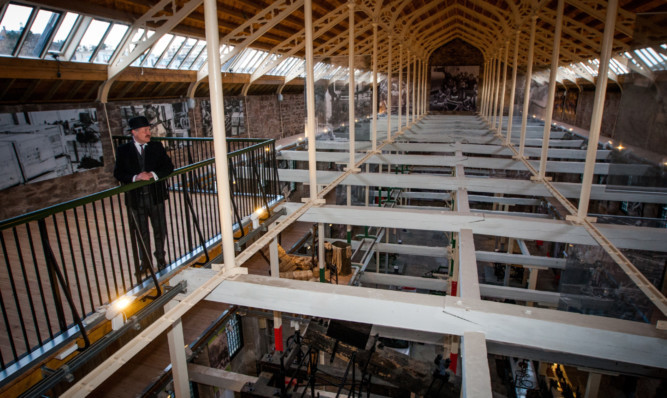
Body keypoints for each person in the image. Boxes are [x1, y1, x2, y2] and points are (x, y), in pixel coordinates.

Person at [114, 116, 174, 276]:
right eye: (145, 130)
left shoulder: (156, 146)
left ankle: (161, 258)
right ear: (134, 132)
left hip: (155, 196)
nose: (149, 132)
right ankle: (145, 262)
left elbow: (168, 167)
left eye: (149, 129)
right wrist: (136, 178)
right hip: (135, 199)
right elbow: (118, 173)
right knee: (141, 232)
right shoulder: (123, 150)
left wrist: (153, 174)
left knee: (159, 229)